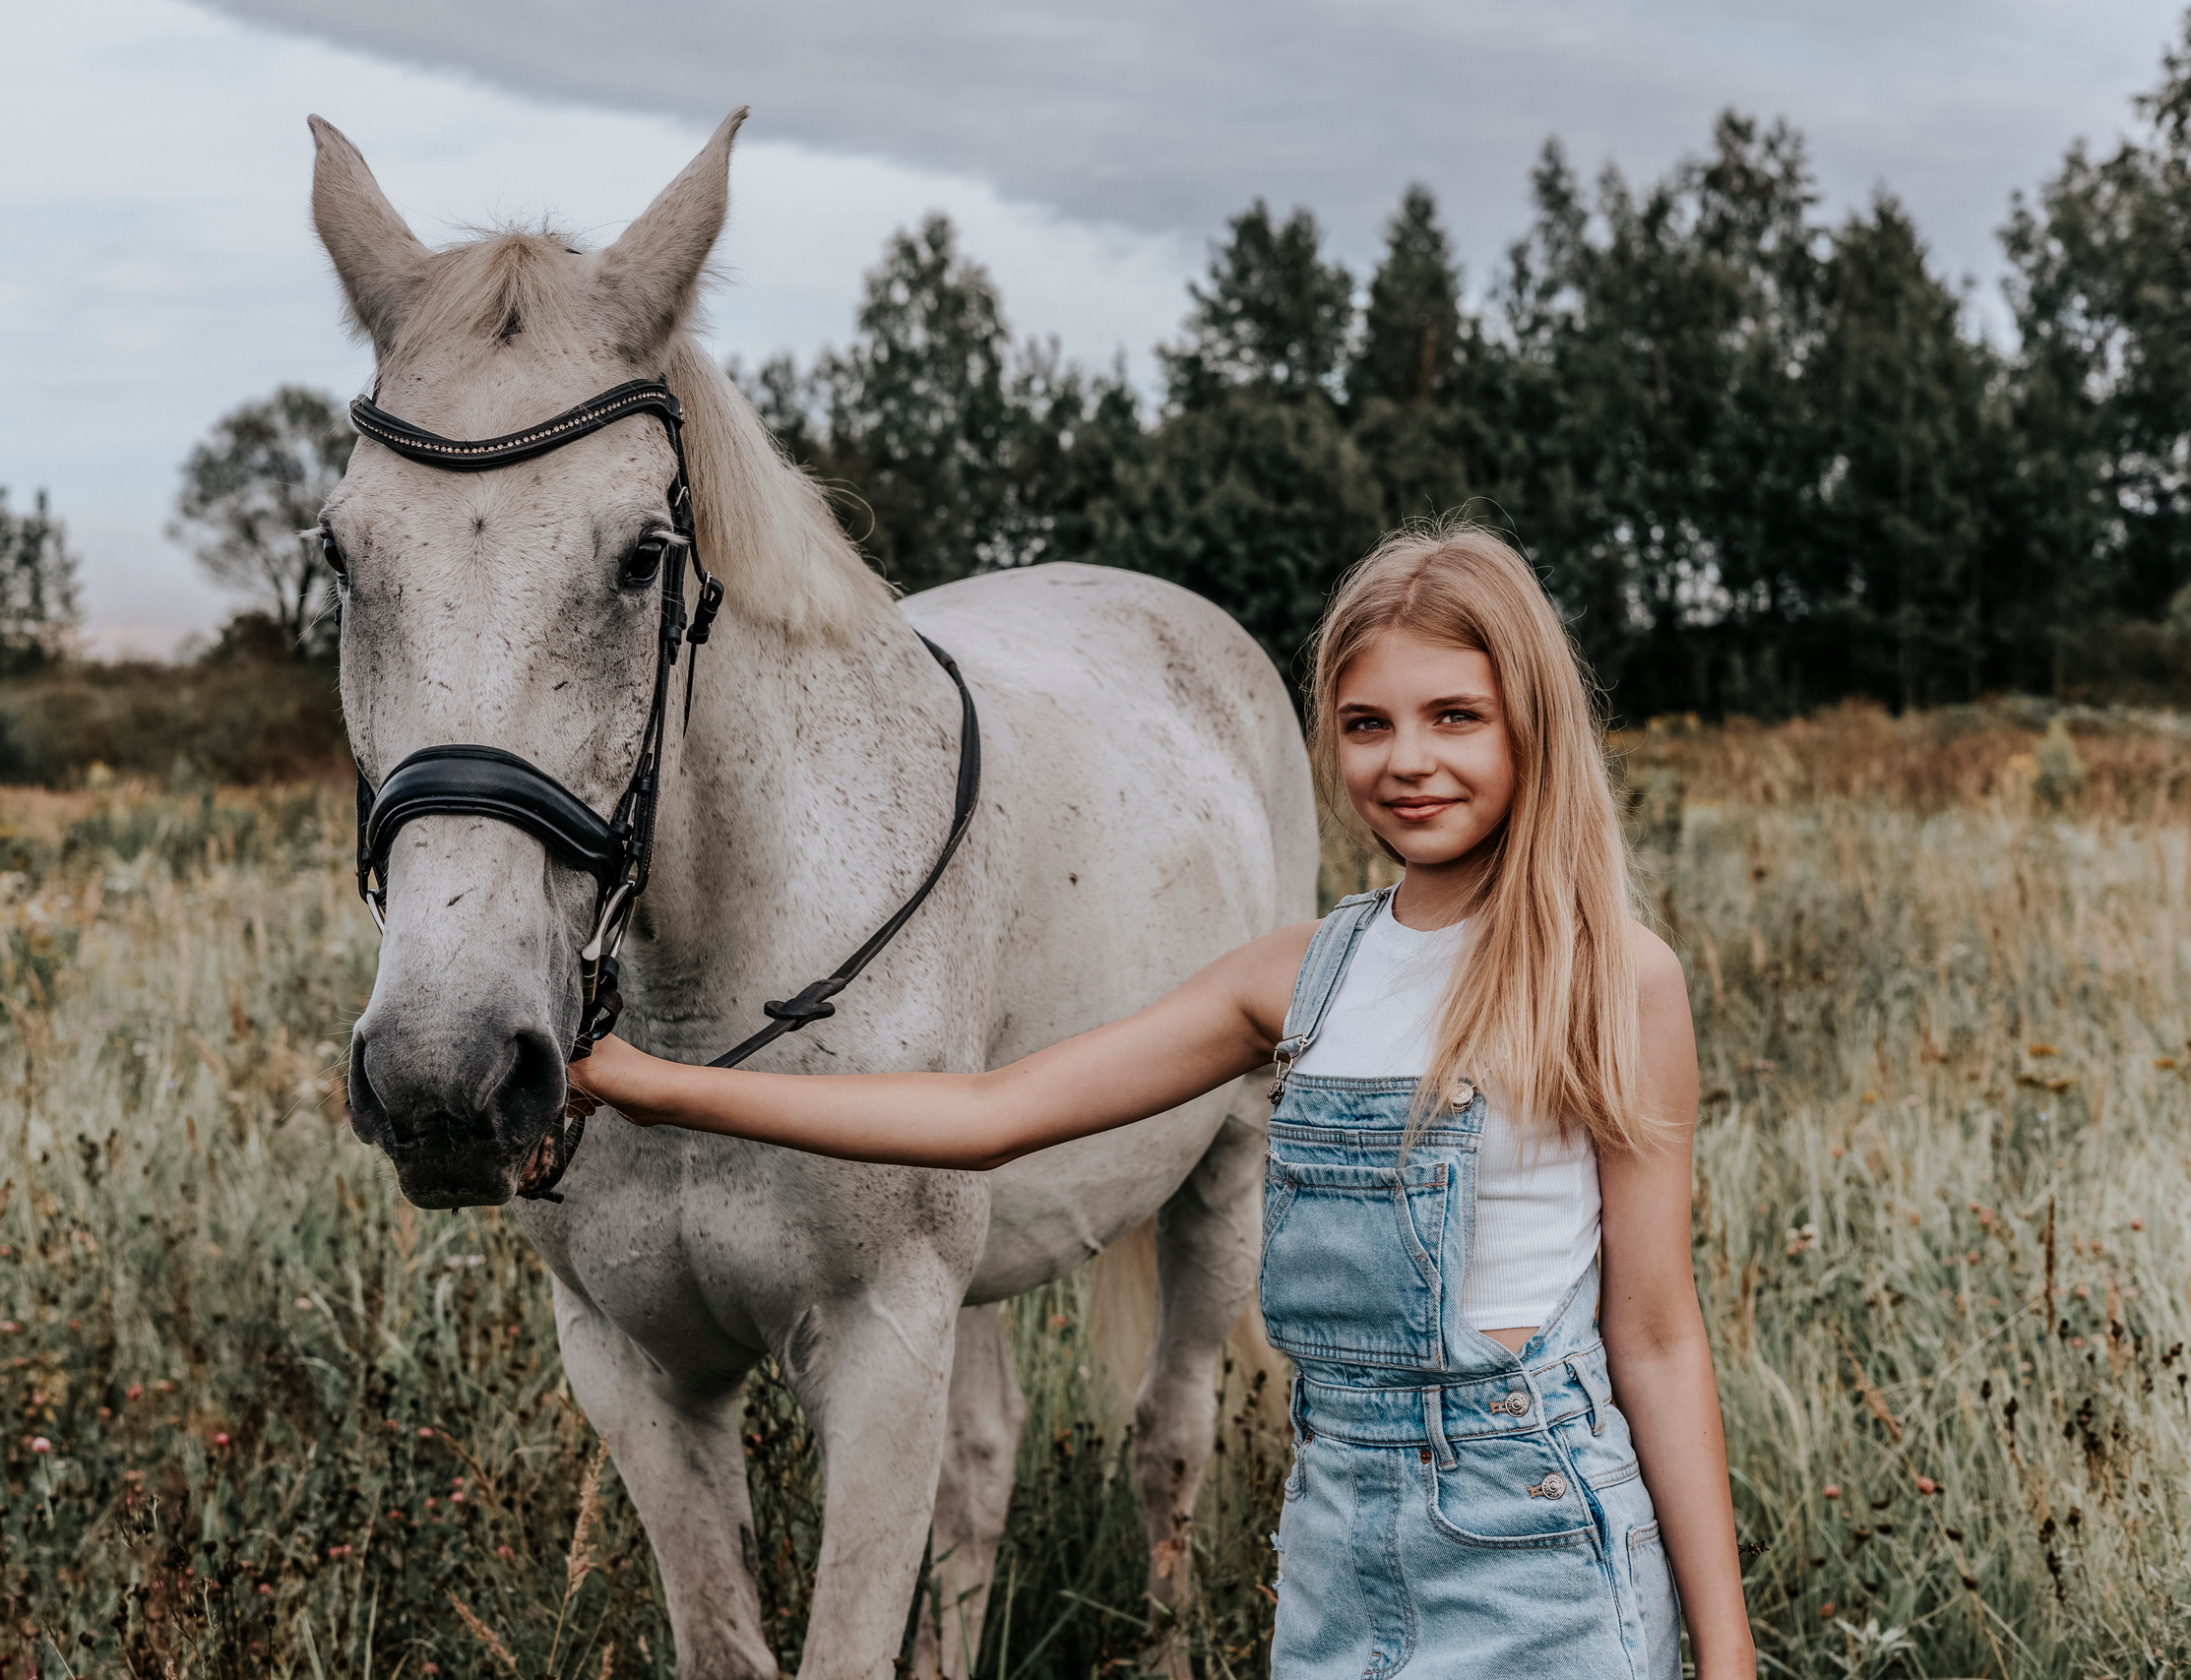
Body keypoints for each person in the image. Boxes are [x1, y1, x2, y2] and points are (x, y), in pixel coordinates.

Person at [571, 525, 1755, 1679]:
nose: (1406, 760)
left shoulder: (1614, 982)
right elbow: (991, 1113)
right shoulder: (1293, 977)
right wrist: (658, 1086)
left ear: (1531, 726)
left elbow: (1653, 1337)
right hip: (1342, 1554)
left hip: (1538, 1545)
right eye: (1365, 724)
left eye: (1455, 717)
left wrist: (1729, 1651)